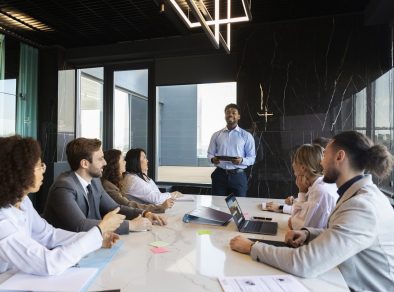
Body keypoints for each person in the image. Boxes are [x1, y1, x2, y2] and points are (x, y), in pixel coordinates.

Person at [230, 131, 394, 291]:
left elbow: (304, 263)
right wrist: (309, 234)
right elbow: (340, 234)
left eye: (324, 155)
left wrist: (253, 247)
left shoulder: (362, 206)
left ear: (339, 157)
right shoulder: (358, 195)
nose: (321, 163)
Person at [0, 136, 120, 276]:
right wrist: (100, 230)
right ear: (19, 172)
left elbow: (49, 235)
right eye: (39, 165)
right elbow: (48, 263)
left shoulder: (23, 202)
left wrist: (97, 239)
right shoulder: (3, 222)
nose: (43, 170)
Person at [44, 138, 166, 235]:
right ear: (85, 163)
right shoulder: (64, 187)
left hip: (93, 245)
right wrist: (131, 225)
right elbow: (80, 225)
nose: (105, 163)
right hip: (66, 254)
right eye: (100, 159)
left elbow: (115, 207)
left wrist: (145, 213)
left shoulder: (95, 181)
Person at [265, 144, 338, 230]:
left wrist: (301, 191)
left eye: (294, 161)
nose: (292, 164)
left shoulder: (319, 190)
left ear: (303, 167)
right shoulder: (319, 185)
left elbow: (298, 227)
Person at [101, 149, 174, 212]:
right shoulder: (111, 184)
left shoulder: (119, 181)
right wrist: (160, 207)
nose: (125, 162)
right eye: (122, 160)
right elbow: (128, 205)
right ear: (115, 165)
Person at [207, 103, 256, 197]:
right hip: (219, 176)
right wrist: (213, 159)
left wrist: (241, 160)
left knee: (237, 208)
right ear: (225, 116)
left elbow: (252, 158)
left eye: (234, 112)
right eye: (228, 112)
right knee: (218, 206)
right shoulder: (216, 135)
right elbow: (210, 154)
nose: (230, 114)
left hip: (238, 177)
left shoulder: (246, 136)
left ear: (239, 116)